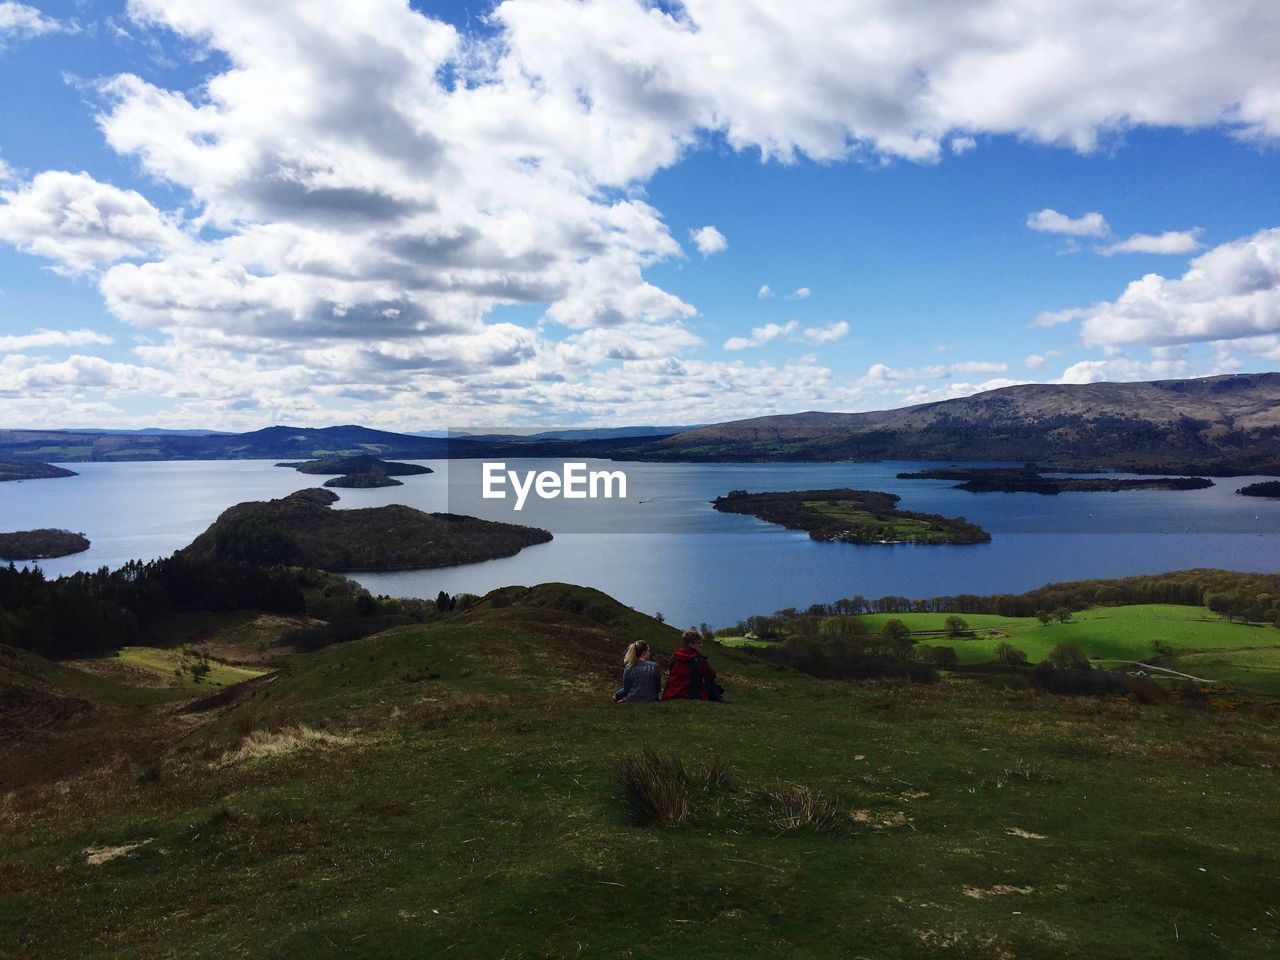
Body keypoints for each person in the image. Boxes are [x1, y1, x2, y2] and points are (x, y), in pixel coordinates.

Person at [662, 629, 723, 701]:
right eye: (698, 642)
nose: (701, 645)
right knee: (710, 681)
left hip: (670, 695)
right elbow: (711, 675)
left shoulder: (675, 657)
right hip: (690, 696)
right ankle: (718, 700)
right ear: (690, 644)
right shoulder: (698, 660)